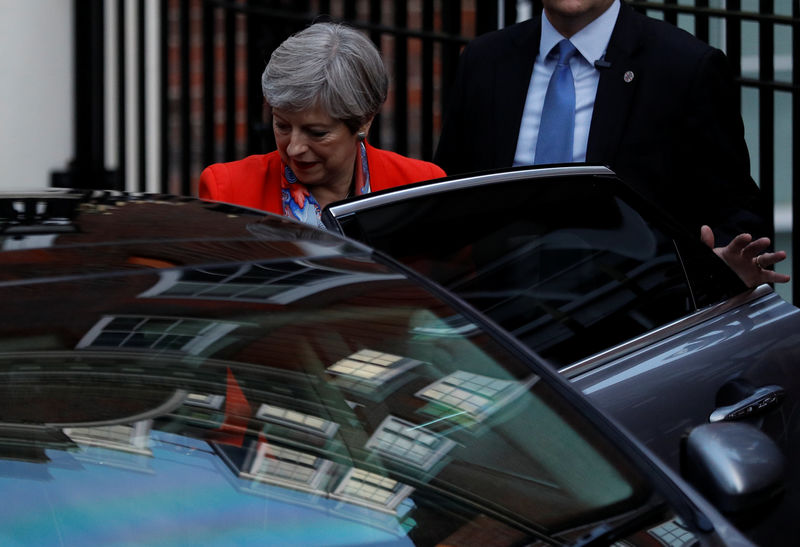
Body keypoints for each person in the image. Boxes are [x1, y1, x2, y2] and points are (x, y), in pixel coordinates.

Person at [434, 0, 788, 287]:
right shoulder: (484, 60)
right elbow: (449, 196)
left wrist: (719, 266)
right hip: (495, 316)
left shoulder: (684, 66)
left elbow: (733, 209)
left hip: (630, 321)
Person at [200, 22, 445, 229]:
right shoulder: (227, 191)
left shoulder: (421, 185)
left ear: (364, 121)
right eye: (282, 126)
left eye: (317, 133)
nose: (295, 148)